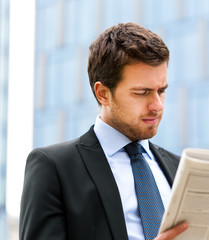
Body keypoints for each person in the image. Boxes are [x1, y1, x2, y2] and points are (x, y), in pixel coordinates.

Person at [20, 22, 188, 240]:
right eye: (142, 92)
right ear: (102, 93)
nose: (157, 105)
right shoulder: (54, 167)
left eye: (162, 91)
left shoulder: (181, 168)